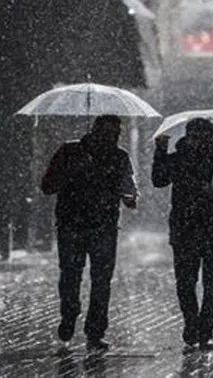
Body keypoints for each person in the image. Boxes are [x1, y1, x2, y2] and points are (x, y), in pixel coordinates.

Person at [152, 118, 213, 353]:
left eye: (202, 137)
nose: (198, 142)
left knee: (212, 283)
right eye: (194, 136)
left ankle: (206, 330)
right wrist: (160, 151)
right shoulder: (178, 159)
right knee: (185, 283)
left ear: (211, 137)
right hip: (184, 230)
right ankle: (191, 323)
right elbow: (159, 180)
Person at [40, 115, 138, 353]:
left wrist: (130, 198)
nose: (111, 139)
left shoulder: (119, 157)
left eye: (115, 134)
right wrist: (73, 171)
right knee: (71, 276)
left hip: (104, 227)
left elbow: (130, 192)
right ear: (94, 131)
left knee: (101, 281)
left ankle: (95, 332)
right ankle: (70, 314)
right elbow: (47, 186)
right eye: (107, 133)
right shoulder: (69, 152)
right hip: (71, 224)